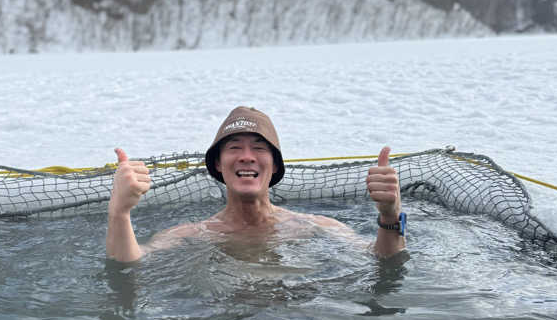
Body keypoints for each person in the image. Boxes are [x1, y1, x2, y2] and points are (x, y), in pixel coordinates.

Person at [105, 106, 406, 262]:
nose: (247, 157)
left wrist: (390, 215)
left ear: (274, 165)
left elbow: (381, 259)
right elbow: (130, 264)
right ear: (217, 164)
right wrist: (119, 214)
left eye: (259, 148)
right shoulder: (192, 235)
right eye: (234, 147)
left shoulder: (316, 226)